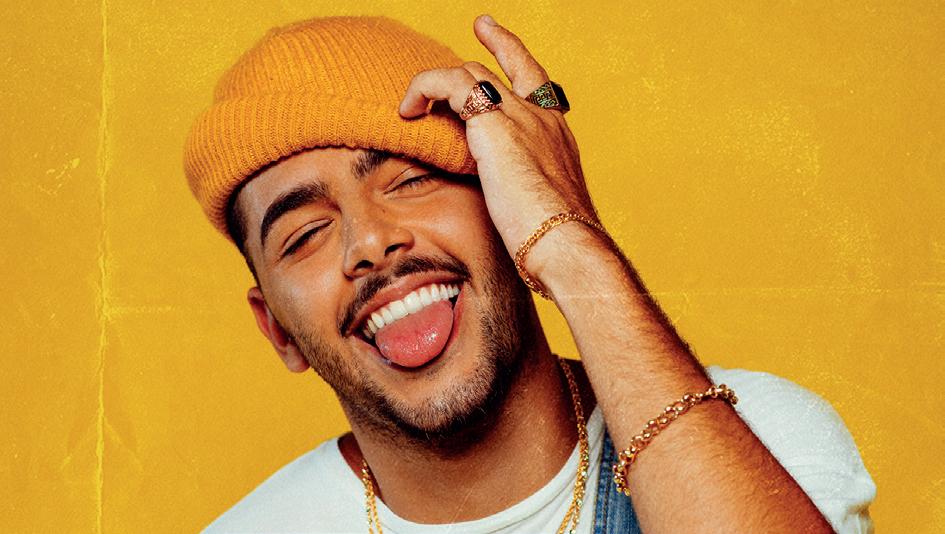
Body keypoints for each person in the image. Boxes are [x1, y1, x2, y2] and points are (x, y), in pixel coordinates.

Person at [184, 15, 876, 534]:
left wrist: (571, 243)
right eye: (304, 234)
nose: (369, 242)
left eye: (412, 181)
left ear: (507, 206)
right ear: (278, 330)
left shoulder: (758, 445)